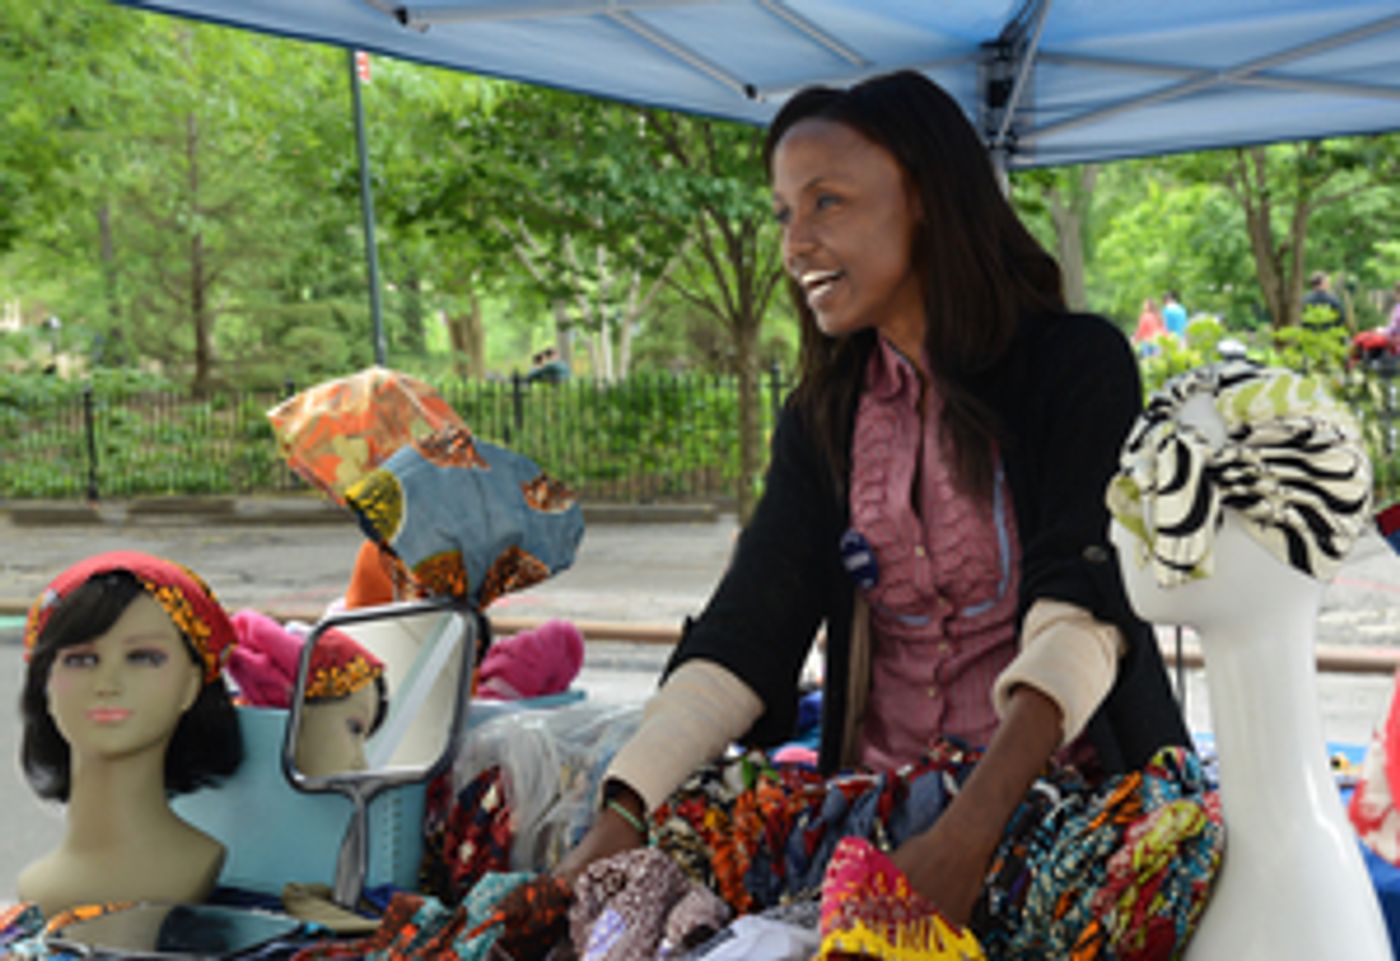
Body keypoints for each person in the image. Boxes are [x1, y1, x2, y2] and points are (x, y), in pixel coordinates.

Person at [556, 69, 1189, 927]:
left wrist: (968, 837)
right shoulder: (827, 413)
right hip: (881, 826)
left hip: (1067, 821)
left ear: (924, 194)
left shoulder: (1075, 366)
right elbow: (750, 624)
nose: (795, 245)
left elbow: (1081, 611)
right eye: (785, 213)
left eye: (827, 202)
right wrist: (623, 812)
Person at [1107, 361, 1387, 959]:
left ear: (1269, 523)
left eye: (1154, 484)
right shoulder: (1262, 860)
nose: (1116, 527)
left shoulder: (1303, 903)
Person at [17, 551, 243, 916]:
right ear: (46, 685)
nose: (108, 683)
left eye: (143, 657)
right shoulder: (36, 883)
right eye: (81, 659)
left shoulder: (195, 865)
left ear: (191, 683)